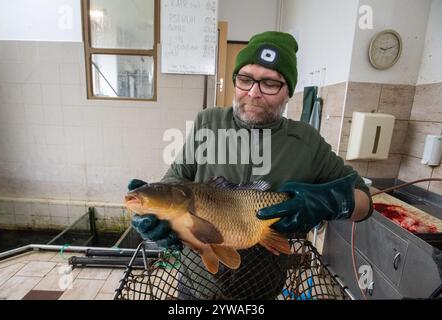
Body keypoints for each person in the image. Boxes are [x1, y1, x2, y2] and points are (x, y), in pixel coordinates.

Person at [129, 31, 373, 298]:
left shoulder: (306, 142)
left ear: (287, 92)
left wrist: (326, 201)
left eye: (270, 83)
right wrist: (151, 217)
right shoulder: (208, 123)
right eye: (245, 79)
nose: (254, 93)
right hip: (198, 283)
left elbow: (364, 202)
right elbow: (174, 183)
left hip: (261, 288)